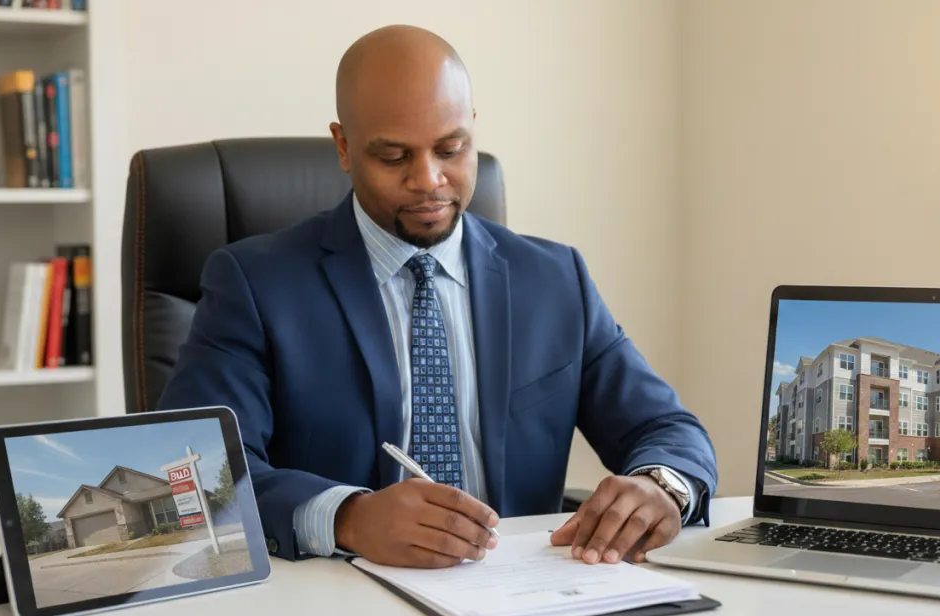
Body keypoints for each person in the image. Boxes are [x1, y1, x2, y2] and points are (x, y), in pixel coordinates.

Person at [155, 24, 717, 569]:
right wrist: (347, 518)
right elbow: (201, 474)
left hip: (520, 594)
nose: (429, 180)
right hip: (336, 596)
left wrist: (661, 484)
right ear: (344, 146)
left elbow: (666, 429)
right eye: (394, 157)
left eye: (451, 149)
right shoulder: (255, 283)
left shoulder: (553, 278)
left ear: (473, 129)